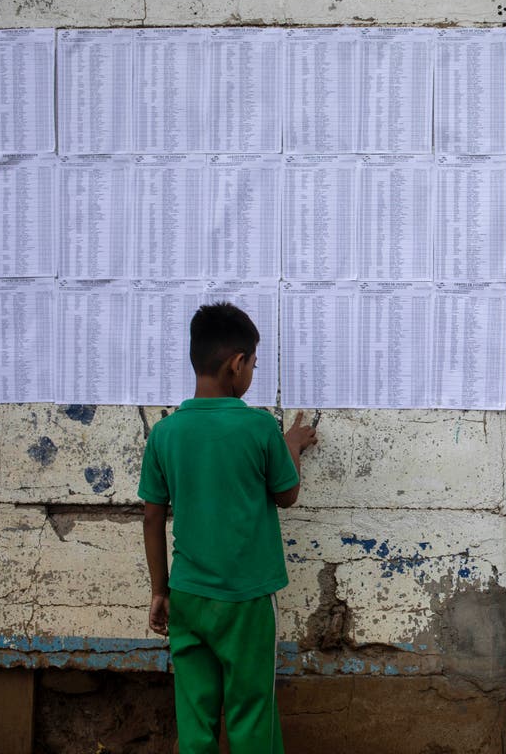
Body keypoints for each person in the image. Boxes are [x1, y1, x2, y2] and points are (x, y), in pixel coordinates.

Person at [139, 301, 318, 753]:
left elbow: (153, 515)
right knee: (251, 711)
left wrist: (161, 591)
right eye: (254, 364)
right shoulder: (259, 428)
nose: (253, 373)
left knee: (195, 718)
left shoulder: (165, 434)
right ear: (237, 364)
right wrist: (291, 443)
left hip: (187, 594)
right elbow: (287, 493)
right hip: (245, 601)